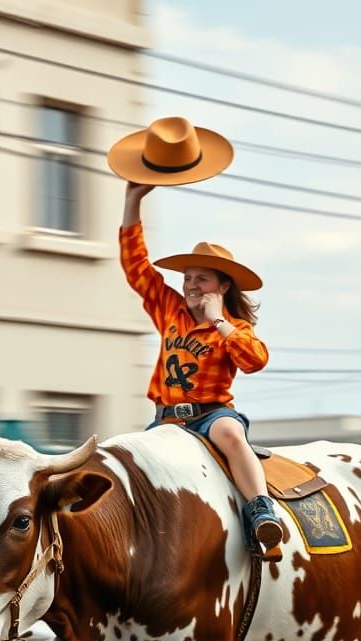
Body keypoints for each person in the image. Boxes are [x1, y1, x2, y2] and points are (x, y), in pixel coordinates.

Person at [119, 180, 282, 555]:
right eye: (188, 278)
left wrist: (219, 321)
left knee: (230, 434)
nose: (191, 285)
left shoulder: (235, 328)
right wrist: (132, 200)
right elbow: (136, 267)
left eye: (202, 279)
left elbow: (254, 360)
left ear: (222, 287)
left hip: (211, 415)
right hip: (165, 419)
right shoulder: (169, 309)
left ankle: (261, 511)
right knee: (129, 458)